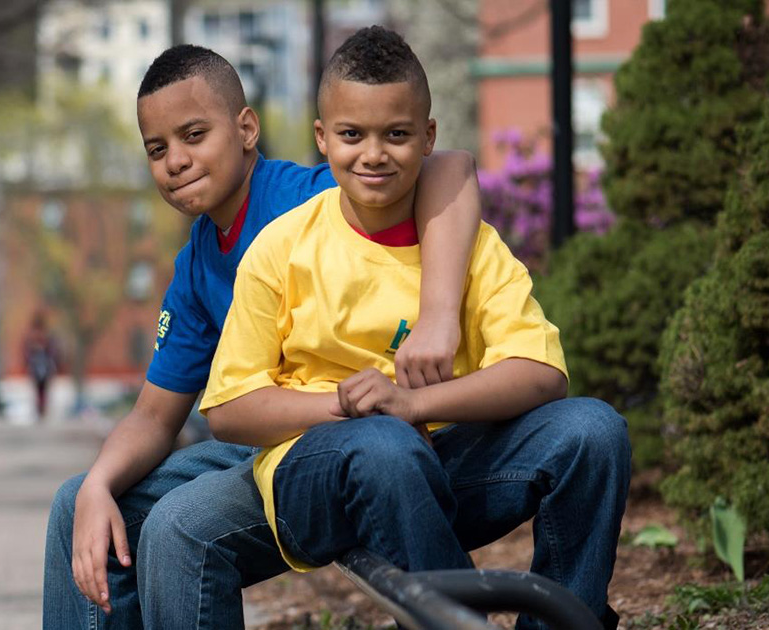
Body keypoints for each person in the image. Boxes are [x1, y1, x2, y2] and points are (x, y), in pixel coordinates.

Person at [198, 26, 630, 629]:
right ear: (322, 138)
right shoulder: (282, 248)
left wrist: (411, 402)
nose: (373, 154)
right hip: (317, 476)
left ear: (428, 136)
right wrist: (356, 410)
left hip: (439, 463)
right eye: (352, 135)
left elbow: (542, 374)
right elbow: (228, 410)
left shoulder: (470, 246)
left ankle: (560, 624)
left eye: (396, 134)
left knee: (593, 429)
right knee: (384, 444)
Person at [43, 44, 485, 629]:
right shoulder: (196, 264)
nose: (176, 160)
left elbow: (448, 166)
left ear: (246, 128)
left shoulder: (308, 198)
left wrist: (437, 315)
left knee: (177, 523)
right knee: (81, 504)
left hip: (350, 434)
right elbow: (153, 418)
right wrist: (98, 483)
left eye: (194, 134)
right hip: (258, 438)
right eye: (158, 149)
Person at [22, 312, 58, 418]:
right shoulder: (34, 339)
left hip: (44, 367)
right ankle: (40, 409)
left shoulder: (45, 338)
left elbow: (52, 352)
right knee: (39, 390)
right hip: (37, 367)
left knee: (42, 390)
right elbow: (27, 353)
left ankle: (42, 409)